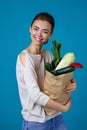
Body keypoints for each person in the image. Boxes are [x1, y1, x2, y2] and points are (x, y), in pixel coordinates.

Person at [16, 12, 76, 130]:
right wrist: (63, 108)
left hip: (56, 117)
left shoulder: (47, 55)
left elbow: (57, 80)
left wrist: (71, 83)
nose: (39, 34)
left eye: (45, 31)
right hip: (36, 122)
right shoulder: (25, 57)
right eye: (36, 29)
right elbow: (35, 95)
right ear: (30, 29)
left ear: (50, 35)